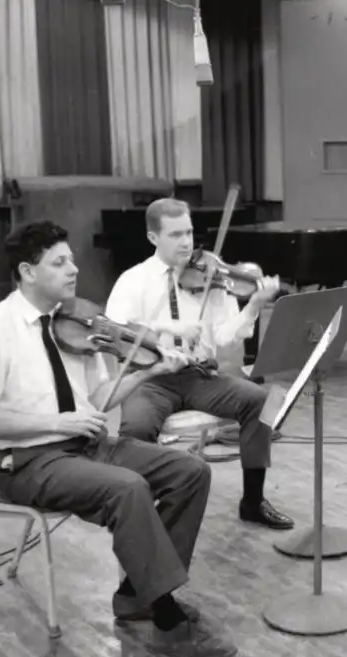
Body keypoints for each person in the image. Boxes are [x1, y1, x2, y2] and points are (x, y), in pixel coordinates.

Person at [0, 221, 237, 657]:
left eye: (71, 260)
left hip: (85, 444)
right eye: (59, 262)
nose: (74, 269)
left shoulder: (75, 324)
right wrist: (57, 421)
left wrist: (148, 371)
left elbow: (99, 399)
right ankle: (167, 621)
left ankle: (136, 595)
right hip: (27, 460)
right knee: (127, 488)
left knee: (190, 472)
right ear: (28, 272)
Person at [104, 197, 294, 530]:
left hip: (199, 375)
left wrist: (254, 305)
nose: (186, 242)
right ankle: (139, 511)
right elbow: (116, 332)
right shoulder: (133, 280)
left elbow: (224, 336)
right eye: (176, 234)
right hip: (151, 378)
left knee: (260, 401)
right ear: (153, 238)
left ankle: (253, 501)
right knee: (135, 430)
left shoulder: (211, 276)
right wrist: (166, 328)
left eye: (189, 233)